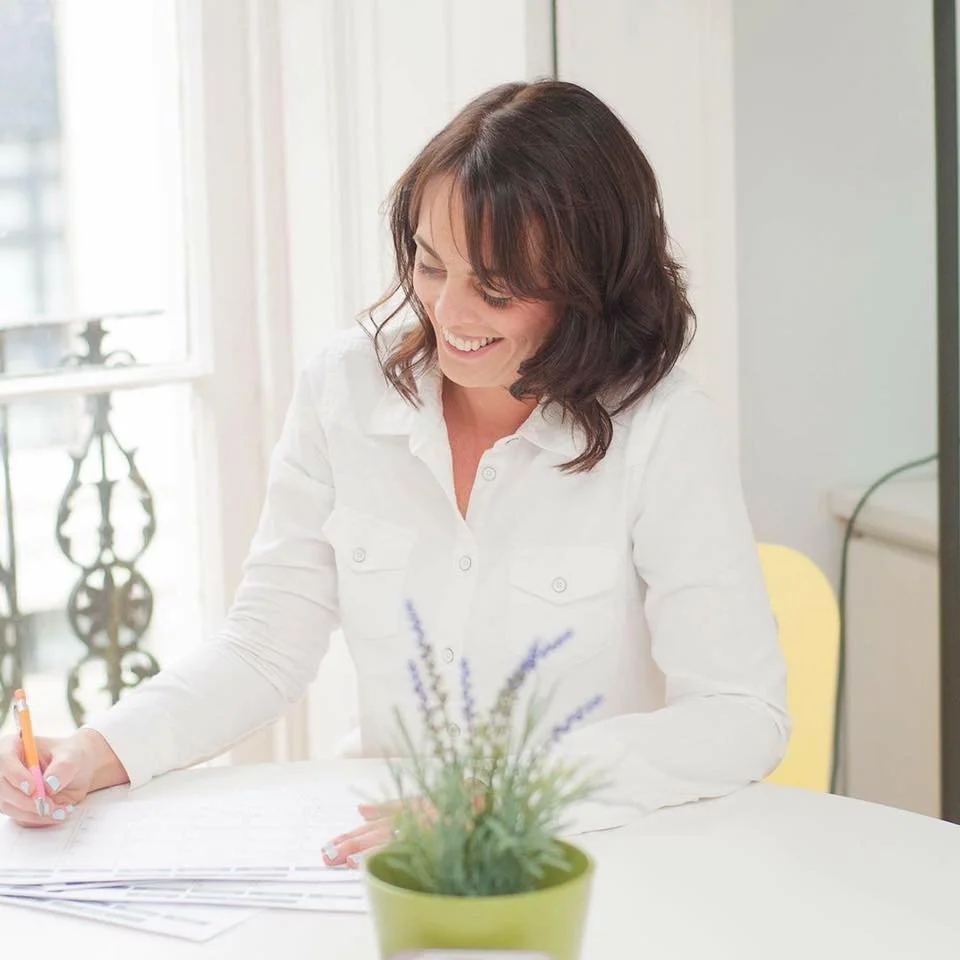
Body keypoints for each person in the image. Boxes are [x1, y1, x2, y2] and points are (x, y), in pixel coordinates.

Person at [0, 80, 788, 866]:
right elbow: (264, 647)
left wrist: (501, 798)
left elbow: (738, 713)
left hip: (593, 856)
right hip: (378, 848)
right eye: (430, 264)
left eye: (499, 290)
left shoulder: (664, 429)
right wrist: (97, 751)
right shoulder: (344, 388)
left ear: (590, 286)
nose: (450, 312)